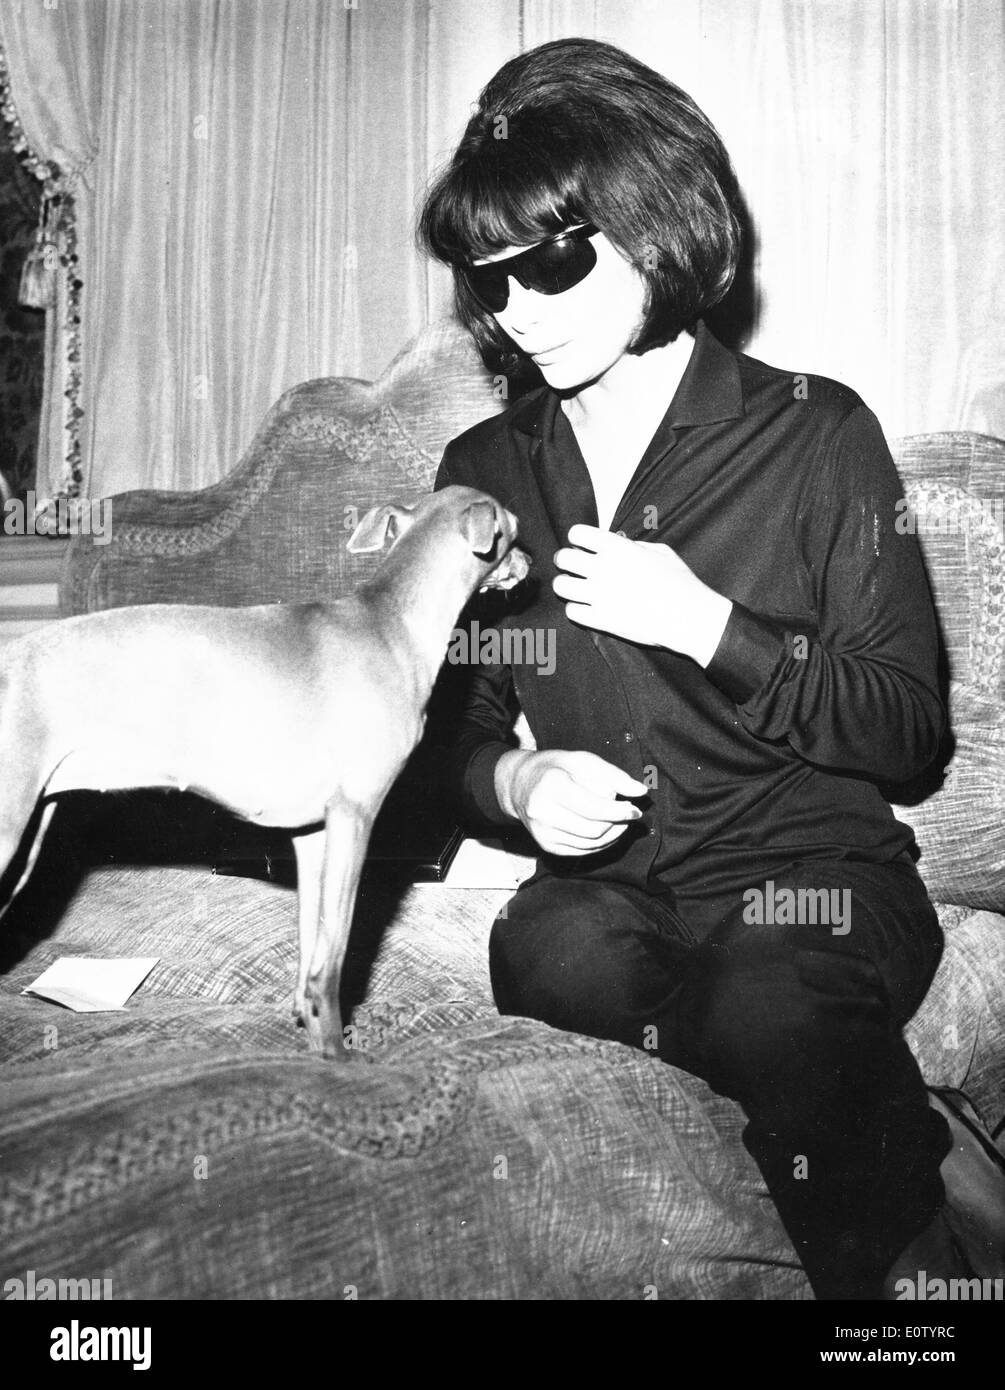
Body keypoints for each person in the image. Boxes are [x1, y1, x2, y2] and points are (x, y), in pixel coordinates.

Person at [419, 36, 971, 1300]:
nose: (514, 314)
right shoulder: (488, 471)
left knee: (766, 991)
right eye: (486, 281)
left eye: (552, 265)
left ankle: (921, 1290)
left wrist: (709, 624)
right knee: (551, 959)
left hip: (813, 880)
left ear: (656, 229)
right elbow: (452, 732)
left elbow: (907, 733)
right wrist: (517, 784)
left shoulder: (817, 435)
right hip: (611, 892)